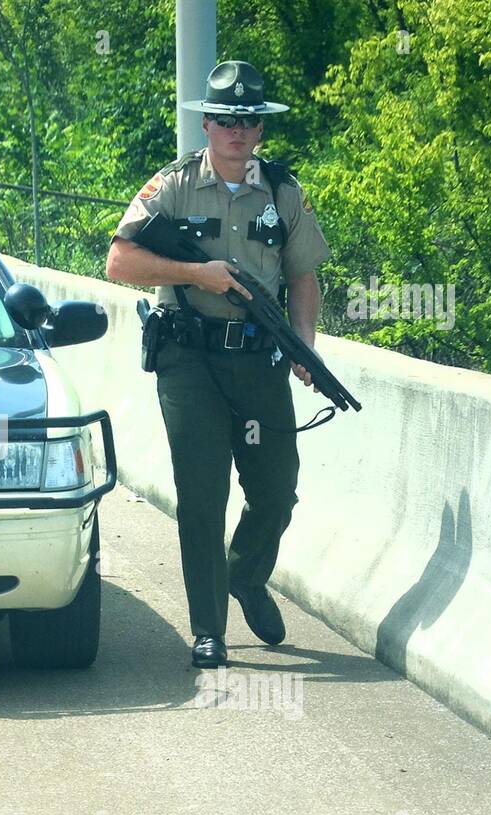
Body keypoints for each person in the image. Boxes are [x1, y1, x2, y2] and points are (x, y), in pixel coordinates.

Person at [105, 60, 332, 668]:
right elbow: (120, 261)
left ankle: (245, 576)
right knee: (201, 494)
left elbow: (303, 276)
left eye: (248, 121)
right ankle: (209, 628)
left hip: (257, 358)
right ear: (207, 123)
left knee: (277, 490)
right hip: (187, 358)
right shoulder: (172, 186)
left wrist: (303, 345)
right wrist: (194, 274)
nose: (237, 131)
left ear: (260, 130)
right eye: (226, 119)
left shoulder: (283, 192)